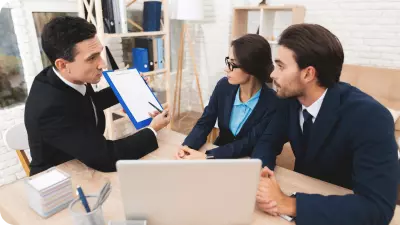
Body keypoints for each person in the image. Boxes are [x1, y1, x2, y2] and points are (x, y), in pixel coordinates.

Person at [252, 24, 398, 225]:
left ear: (308, 74)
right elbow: (268, 142)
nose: (272, 75)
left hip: (338, 210)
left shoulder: (371, 117)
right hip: (305, 188)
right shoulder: (288, 99)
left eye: (281, 66)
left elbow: (377, 208)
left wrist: (289, 204)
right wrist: (262, 175)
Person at [25, 16, 170, 176]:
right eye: (92, 58)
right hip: (60, 179)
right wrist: (153, 128)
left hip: (84, 162)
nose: (103, 64)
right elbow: (107, 158)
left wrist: (125, 87)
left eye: (99, 54)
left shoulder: (68, 76)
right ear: (63, 64)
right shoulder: (49, 107)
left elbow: (89, 103)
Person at [176, 34, 277, 160]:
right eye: (227, 61)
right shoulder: (224, 86)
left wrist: (207, 156)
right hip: (218, 154)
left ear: (251, 68)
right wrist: (187, 147)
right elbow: (205, 122)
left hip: (246, 163)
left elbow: (248, 143)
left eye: (232, 64)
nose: (226, 69)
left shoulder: (272, 102)